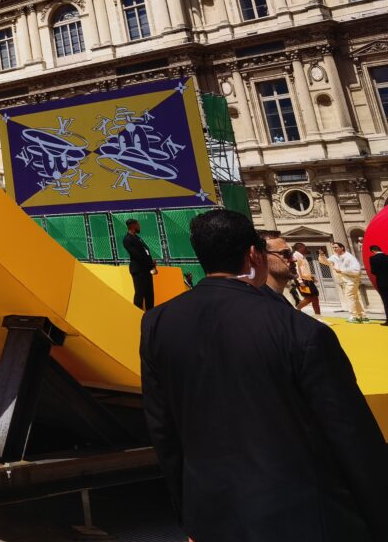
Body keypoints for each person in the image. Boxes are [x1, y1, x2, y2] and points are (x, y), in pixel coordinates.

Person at [140, 208, 387, 541]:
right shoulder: (299, 330)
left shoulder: (157, 323)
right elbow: (352, 436)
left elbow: (163, 429)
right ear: (253, 254)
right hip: (300, 517)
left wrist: (189, 513)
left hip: (211, 514)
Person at [320, 242, 369, 323]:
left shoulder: (349, 257)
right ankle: (362, 316)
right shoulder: (335, 256)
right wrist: (322, 256)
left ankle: (354, 316)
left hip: (351, 280)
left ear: (342, 248)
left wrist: (342, 270)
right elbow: (326, 262)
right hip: (344, 281)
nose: (334, 249)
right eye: (333, 248)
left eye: (336, 247)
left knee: (350, 297)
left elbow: (356, 270)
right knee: (354, 298)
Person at [122, 218, 157, 311]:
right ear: (133, 226)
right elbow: (137, 255)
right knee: (140, 294)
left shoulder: (138, 238)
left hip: (146, 269)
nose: (139, 227)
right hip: (138, 271)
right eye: (137, 225)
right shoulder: (127, 239)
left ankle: (150, 314)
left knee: (149, 294)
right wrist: (150, 263)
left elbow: (145, 252)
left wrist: (151, 264)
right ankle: (137, 315)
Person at [292, 242, 322, 315]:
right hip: (303, 281)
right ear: (300, 248)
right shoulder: (295, 255)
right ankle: (295, 311)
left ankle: (318, 317)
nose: (306, 249)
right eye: (305, 248)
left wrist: (311, 277)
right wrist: (300, 281)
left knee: (315, 297)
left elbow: (304, 269)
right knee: (309, 298)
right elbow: (296, 269)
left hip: (308, 280)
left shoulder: (302, 256)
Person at [370, 244, 388, 327]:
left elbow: (374, 271)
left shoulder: (373, 259)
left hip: (382, 282)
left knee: (386, 301)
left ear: (373, 251)